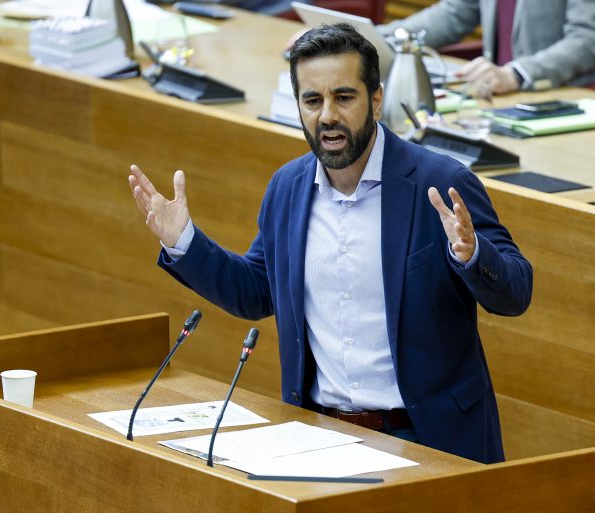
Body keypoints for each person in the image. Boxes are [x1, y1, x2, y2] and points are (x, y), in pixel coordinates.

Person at [128, 23, 532, 464]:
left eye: (344, 97)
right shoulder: (288, 187)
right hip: (321, 437)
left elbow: (516, 292)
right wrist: (183, 241)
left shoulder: (439, 182)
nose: (327, 116)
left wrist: (472, 255)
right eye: (313, 101)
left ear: (375, 100)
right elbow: (257, 291)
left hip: (431, 440)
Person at [377, 0, 595, 93]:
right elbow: (454, 14)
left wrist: (517, 73)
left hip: (561, 97)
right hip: (496, 99)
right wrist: (378, 37)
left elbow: (587, 38)